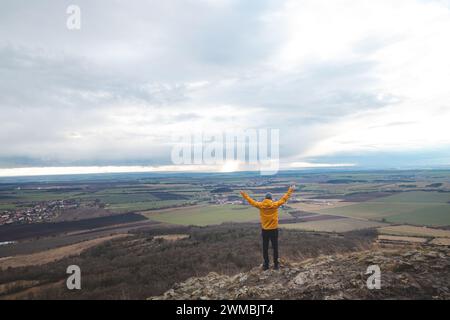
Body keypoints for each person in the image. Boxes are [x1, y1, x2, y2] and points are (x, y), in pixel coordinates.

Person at [240, 186, 295, 270]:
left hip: (265, 230)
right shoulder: (275, 205)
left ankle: (266, 265)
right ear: (271, 198)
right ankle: (276, 265)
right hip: (274, 230)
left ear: (265, 198)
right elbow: (284, 199)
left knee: (265, 248)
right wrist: (290, 190)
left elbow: (251, 201)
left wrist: (244, 194)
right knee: (275, 247)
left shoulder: (261, 205)